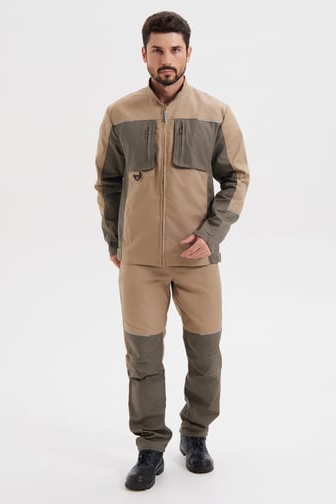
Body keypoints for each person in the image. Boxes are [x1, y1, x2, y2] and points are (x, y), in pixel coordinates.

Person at [94, 11, 250, 491]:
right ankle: (149, 447)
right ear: (144, 54)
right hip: (140, 262)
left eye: (175, 50)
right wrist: (116, 240)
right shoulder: (120, 113)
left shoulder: (215, 112)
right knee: (143, 359)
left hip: (197, 259)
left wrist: (212, 233)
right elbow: (108, 182)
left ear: (188, 53)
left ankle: (195, 435)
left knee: (206, 356)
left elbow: (236, 178)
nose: (167, 59)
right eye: (158, 50)